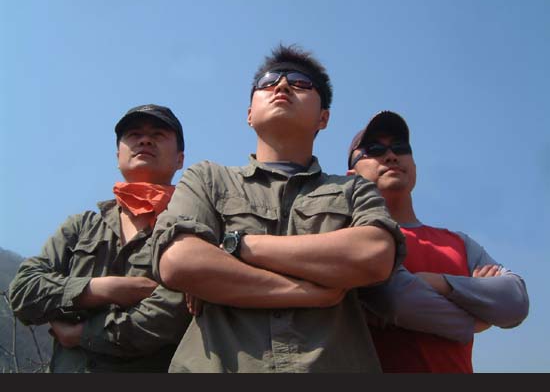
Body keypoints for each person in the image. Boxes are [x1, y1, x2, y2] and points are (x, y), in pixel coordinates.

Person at [149, 44, 406, 373]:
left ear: (323, 118)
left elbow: (374, 255)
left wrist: (237, 245)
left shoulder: (354, 189)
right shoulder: (208, 178)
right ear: (249, 114)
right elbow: (179, 261)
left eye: (300, 83)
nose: (282, 86)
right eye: (268, 82)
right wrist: (310, 292)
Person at [8, 104, 192, 373]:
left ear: (179, 159)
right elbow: (23, 291)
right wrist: (101, 288)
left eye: (158, 134)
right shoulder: (82, 226)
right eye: (134, 134)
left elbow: (175, 312)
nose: (145, 140)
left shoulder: (190, 229)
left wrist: (83, 333)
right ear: (118, 156)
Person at [347, 110, 530, 373]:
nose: (391, 155)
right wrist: (477, 316)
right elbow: (396, 299)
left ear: (414, 166)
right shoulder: (351, 238)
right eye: (375, 150)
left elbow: (516, 302)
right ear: (351, 176)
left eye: (401, 147)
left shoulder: (458, 243)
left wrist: (436, 282)